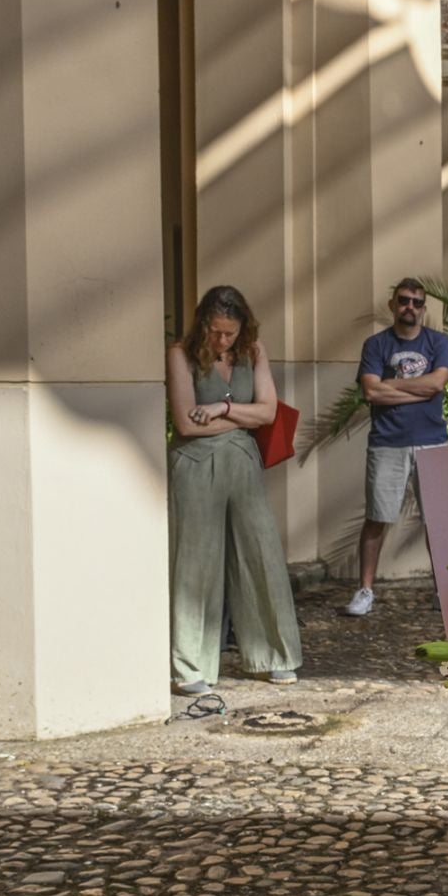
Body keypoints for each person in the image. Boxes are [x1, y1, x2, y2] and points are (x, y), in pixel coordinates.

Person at [166, 285, 302, 695]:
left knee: (260, 553)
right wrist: (246, 418)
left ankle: (272, 656)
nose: (221, 340)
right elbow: (187, 425)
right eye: (215, 331)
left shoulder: (253, 351)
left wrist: (222, 409)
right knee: (196, 564)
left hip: (243, 463)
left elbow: (270, 412)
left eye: (229, 332)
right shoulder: (180, 354)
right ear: (202, 324)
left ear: (243, 327)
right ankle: (191, 666)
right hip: (194, 464)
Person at [344, 278, 448, 617]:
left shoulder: (438, 342)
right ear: (393, 305)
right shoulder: (376, 345)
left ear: (424, 308)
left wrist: (392, 385)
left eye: (417, 302)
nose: (410, 307)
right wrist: (418, 389)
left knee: (437, 521)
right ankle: (365, 591)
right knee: (377, 518)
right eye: (404, 300)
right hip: (387, 443)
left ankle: (444, 590)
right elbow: (372, 392)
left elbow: (438, 383)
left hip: (432, 441)